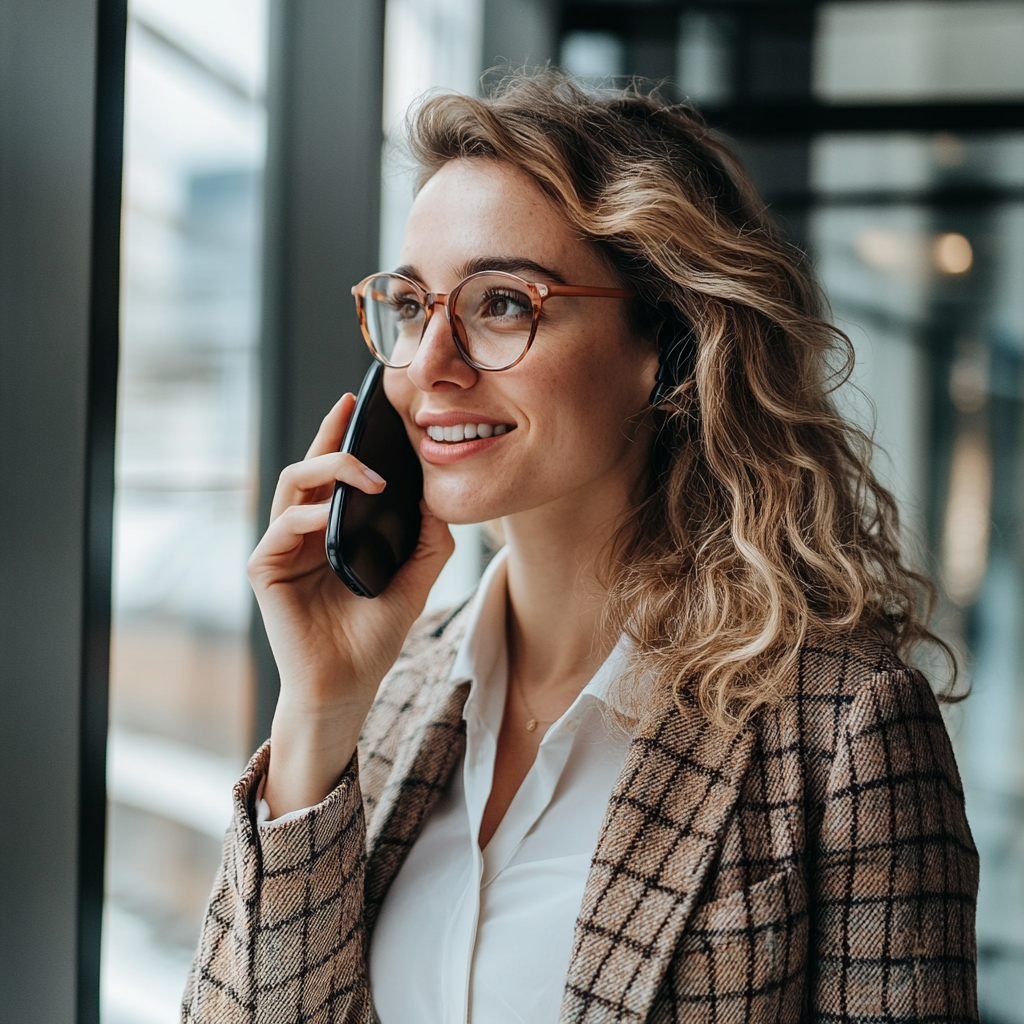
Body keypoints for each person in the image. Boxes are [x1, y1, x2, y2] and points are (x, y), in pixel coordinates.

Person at [182, 72, 978, 1023]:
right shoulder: (387, 697)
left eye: (502, 304)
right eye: (410, 307)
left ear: (669, 347)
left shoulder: (843, 730)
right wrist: (317, 712)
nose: (430, 366)